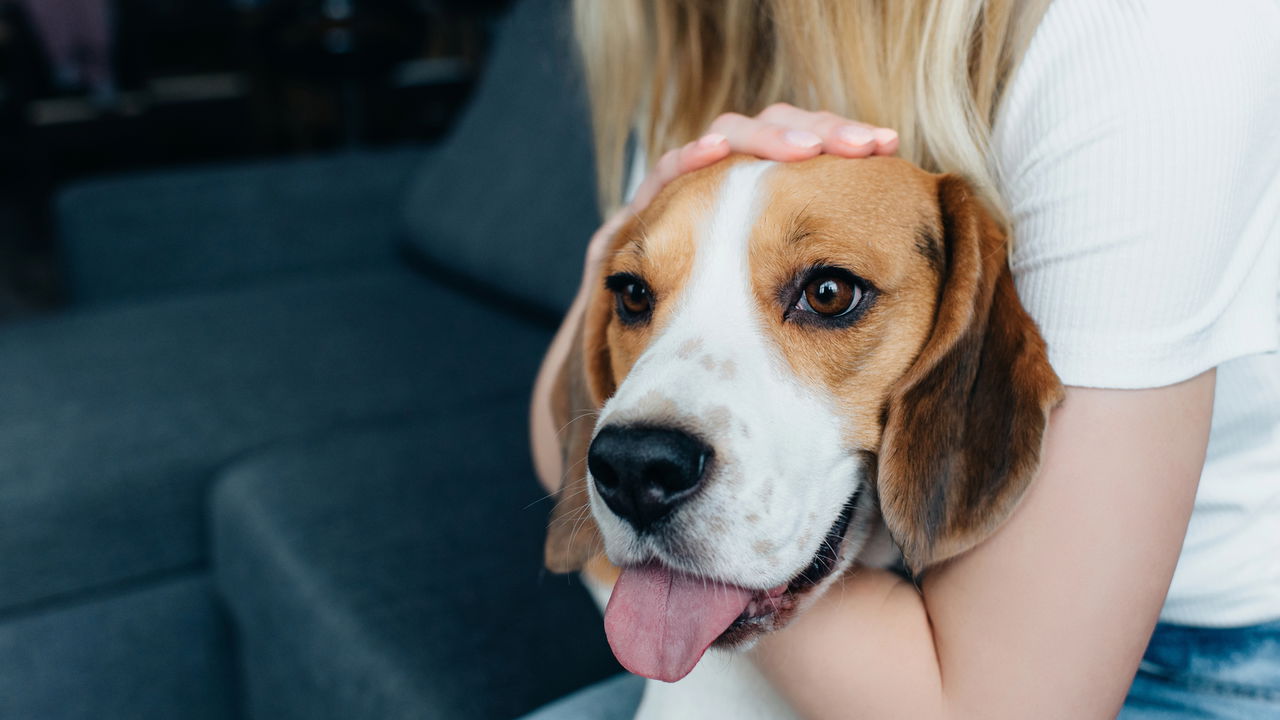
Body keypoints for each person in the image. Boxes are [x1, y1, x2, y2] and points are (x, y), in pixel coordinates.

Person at [528, 0, 1280, 717]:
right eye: (637, 297)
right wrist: (613, 253)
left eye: (826, 294)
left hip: (1179, 668)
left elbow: (1003, 709)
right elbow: (560, 444)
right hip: (874, 647)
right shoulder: (696, 32)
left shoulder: (1151, 38)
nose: (637, 444)